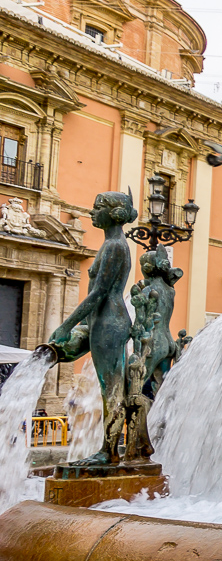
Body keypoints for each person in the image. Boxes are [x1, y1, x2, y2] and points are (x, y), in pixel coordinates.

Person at [45, 191, 136, 466]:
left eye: (98, 208)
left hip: (110, 320)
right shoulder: (111, 244)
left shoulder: (115, 246)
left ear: (115, 213)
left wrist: (65, 326)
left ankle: (108, 452)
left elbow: (98, 294)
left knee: (112, 390)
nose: (92, 212)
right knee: (110, 387)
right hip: (103, 320)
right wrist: (81, 329)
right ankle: (108, 449)